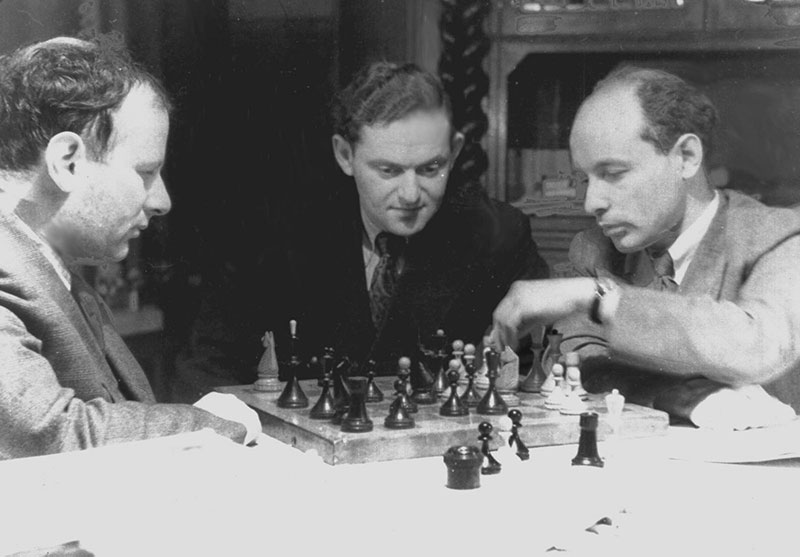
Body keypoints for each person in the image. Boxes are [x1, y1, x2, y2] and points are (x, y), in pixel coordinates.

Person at [181, 61, 547, 389]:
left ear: (453, 150)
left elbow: (542, 361)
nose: (410, 194)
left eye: (430, 168)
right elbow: (209, 372)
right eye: (388, 170)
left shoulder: (500, 235)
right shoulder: (271, 237)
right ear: (345, 155)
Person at [492, 66, 800, 428]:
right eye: (584, 178)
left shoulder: (780, 238)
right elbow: (576, 360)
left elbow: (761, 344)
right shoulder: (593, 251)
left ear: (685, 157)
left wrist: (598, 299)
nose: (591, 203)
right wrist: (674, 395)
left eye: (613, 173)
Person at [0, 37, 260, 459]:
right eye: (145, 171)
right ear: (68, 162)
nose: (162, 201)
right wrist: (218, 423)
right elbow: (51, 437)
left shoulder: (57, 271)